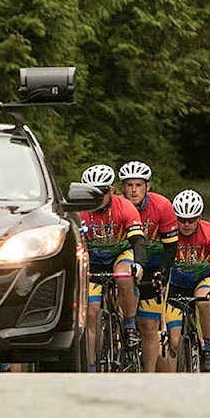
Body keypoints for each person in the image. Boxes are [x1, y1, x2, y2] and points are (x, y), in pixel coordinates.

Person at [79, 164, 146, 372]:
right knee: (91, 314)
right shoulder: (80, 210)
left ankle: (128, 324)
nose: (96, 197)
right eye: (92, 193)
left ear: (111, 191)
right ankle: (91, 368)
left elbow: (138, 241)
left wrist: (139, 265)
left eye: (101, 192)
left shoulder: (125, 207)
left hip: (120, 254)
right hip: (93, 260)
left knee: (124, 275)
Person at [118, 160, 179, 373]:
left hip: (153, 266)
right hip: (125, 264)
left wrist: (163, 273)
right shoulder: (117, 206)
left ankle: (148, 374)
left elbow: (171, 248)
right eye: (129, 185)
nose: (134, 190)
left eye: (139, 185)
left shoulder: (162, 206)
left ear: (148, 187)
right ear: (122, 187)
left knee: (149, 326)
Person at [163, 189, 210, 372]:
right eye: (181, 220)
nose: (186, 224)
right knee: (174, 341)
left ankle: (207, 347)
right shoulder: (169, 231)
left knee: (204, 298)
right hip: (176, 284)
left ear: (199, 217)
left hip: (202, 279)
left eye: (191, 220)